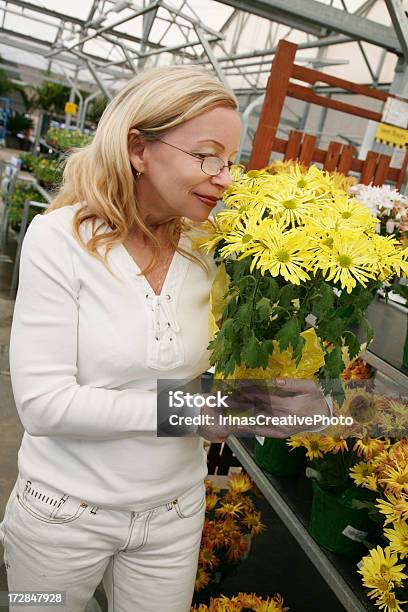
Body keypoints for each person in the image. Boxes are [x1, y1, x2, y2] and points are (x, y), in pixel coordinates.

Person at [0, 65, 330, 612]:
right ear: (138, 148)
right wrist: (190, 412)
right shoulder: (60, 239)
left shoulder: (211, 246)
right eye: (206, 156)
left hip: (174, 516)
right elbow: (43, 405)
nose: (224, 177)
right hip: (60, 519)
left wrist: (270, 398)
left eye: (229, 161)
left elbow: (210, 372)